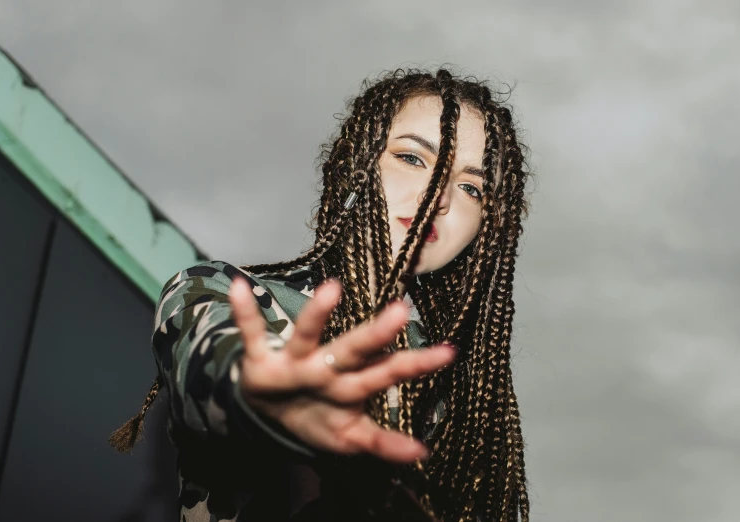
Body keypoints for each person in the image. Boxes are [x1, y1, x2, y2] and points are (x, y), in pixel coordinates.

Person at [110, 68, 533, 522]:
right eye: (413, 158)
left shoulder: (465, 396)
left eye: (471, 187)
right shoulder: (227, 295)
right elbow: (211, 360)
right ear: (358, 164)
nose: (441, 195)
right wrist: (259, 390)